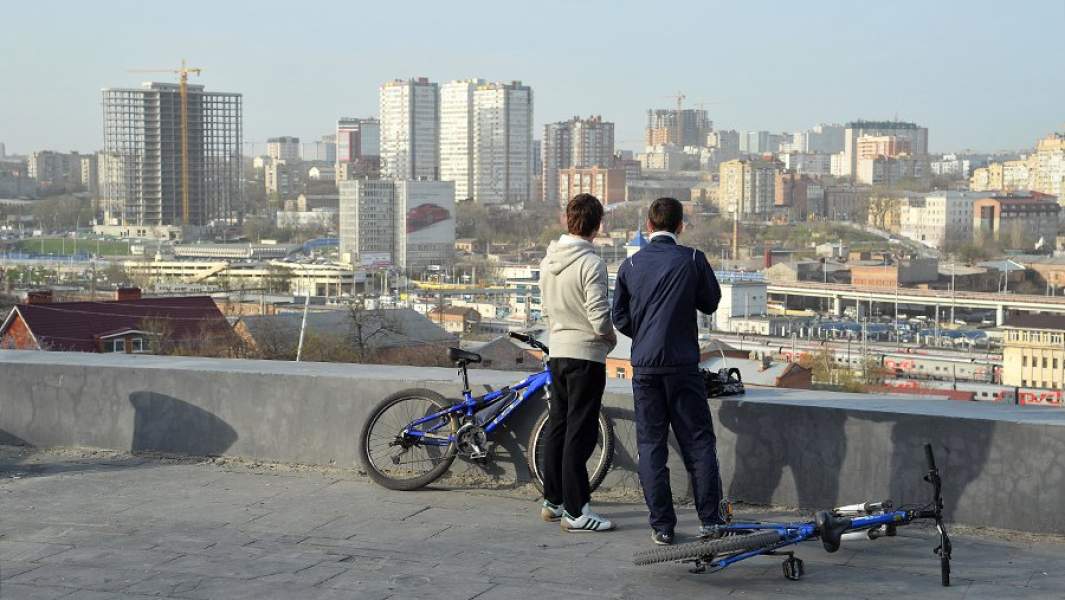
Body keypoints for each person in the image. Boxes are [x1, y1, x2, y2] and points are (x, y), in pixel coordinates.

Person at [611, 197, 723, 545]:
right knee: (699, 442)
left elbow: (619, 317)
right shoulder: (693, 259)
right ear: (680, 226)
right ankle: (710, 521)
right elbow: (711, 302)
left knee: (651, 446)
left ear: (648, 226)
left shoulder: (631, 265)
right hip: (683, 365)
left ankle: (662, 526)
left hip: (645, 367)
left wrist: (645, 333)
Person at [537, 193, 617, 533]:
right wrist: (609, 339)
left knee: (558, 426)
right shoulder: (591, 264)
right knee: (580, 433)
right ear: (597, 226)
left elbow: (544, 309)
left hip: (557, 351)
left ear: (566, 220)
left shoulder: (548, 260)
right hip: (585, 355)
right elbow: (599, 316)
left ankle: (553, 501)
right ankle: (576, 510)